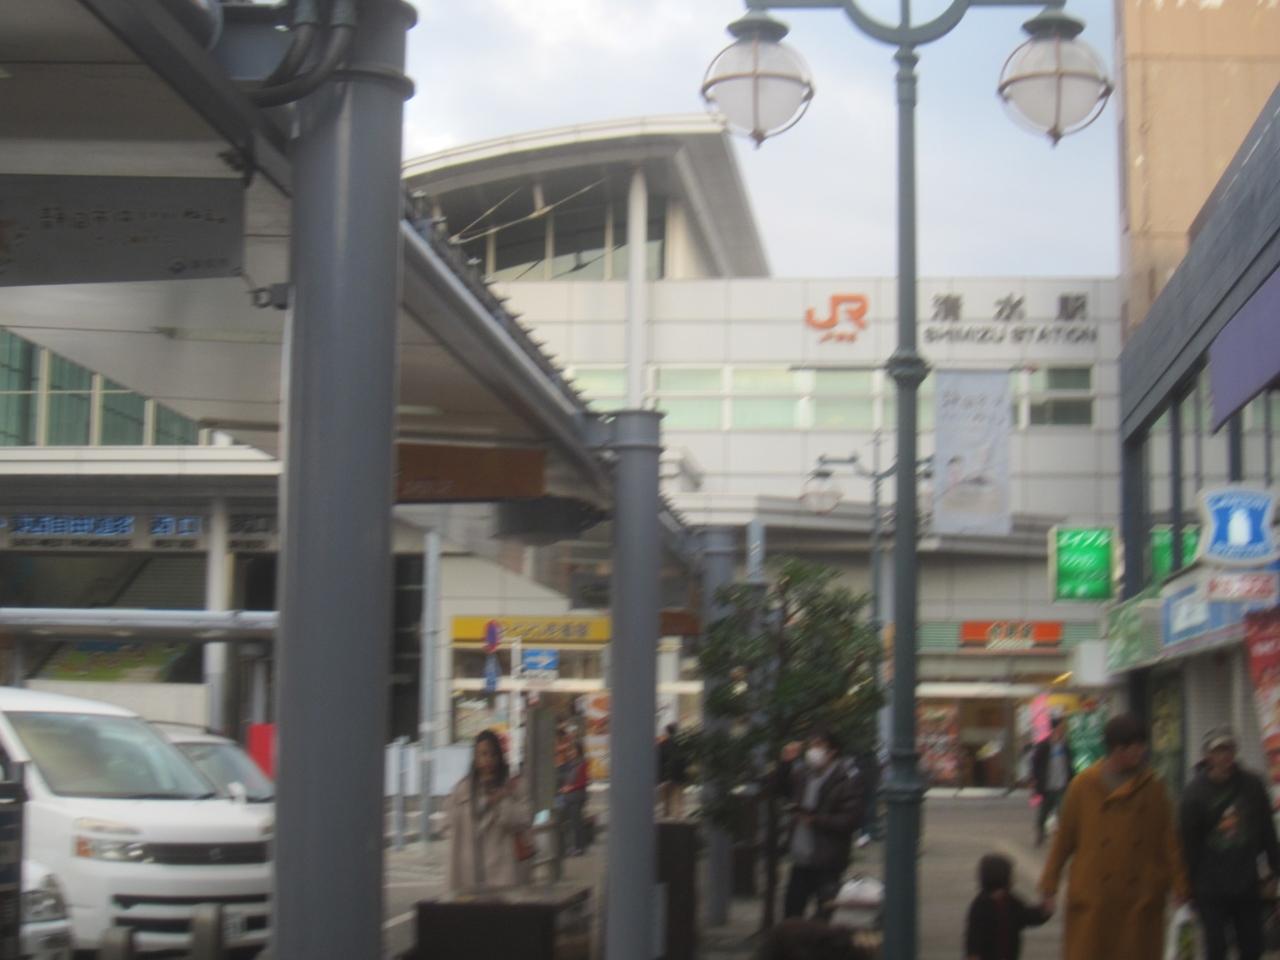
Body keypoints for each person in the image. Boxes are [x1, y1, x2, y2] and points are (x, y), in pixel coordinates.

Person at [1038, 713, 1189, 960]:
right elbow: (1064, 840)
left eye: (1142, 745)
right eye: (1136, 746)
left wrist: (1181, 886)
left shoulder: (1153, 787)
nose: (1141, 751)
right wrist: (1048, 887)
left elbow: (1169, 841)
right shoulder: (1083, 786)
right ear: (1117, 749)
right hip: (1094, 897)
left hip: (1140, 898)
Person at [1180, 727, 1280, 960]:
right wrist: (1186, 886)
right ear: (1207, 755)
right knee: (1216, 948)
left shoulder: (1252, 786)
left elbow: (1267, 830)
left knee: (1252, 947)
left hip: (1246, 880)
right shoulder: (1194, 793)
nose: (1224, 756)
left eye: (1228, 749)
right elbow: (1187, 843)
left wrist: (1275, 871)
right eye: (1218, 750)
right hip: (1209, 886)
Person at [777, 729, 866, 920]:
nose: (812, 751)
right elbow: (780, 789)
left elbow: (850, 819)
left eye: (818, 746)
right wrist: (785, 763)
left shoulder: (847, 779)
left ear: (832, 751)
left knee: (824, 916)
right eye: (810, 746)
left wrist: (816, 820)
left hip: (828, 859)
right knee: (792, 914)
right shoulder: (803, 774)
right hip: (801, 859)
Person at [445, 728, 532, 893]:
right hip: (469, 871)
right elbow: (448, 825)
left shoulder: (515, 786)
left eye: (493, 754)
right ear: (475, 757)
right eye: (483, 754)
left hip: (504, 871)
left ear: (500, 756)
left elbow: (525, 818)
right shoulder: (462, 789)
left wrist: (502, 800)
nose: (488, 760)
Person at [965, 853, 1051, 960]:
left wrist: (1043, 911)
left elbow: (1027, 915)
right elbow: (973, 935)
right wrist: (973, 954)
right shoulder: (981, 905)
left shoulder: (1011, 900)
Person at [1031, 717, 1076, 846]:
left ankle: (1063, 838)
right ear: (1054, 729)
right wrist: (1036, 780)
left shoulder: (1065, 746)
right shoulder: (1044, 746)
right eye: (1061, 727)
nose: (1063, 730)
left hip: (1062, 784)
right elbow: (1035, 764)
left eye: (1063, 728)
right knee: (1044, 812)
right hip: (1048, 785)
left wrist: (1072, 779)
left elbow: (1070, 765)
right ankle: (1040, 832)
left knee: (1063, 812)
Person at [557, 739, 590, 857]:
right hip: (569, 797)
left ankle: (579, 847)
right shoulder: (571, 764)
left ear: (579, 751)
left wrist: (570, 788)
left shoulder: (582, 764)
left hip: (577, 797)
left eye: (573, 750)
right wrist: (565, 788)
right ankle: (572, 846)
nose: (571, 752)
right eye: (570, 750)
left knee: (577, 823)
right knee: (569, 823)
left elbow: (583, 782)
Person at [658, 723, 689, 818]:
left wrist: (660, 777)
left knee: (666, 802)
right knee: (678, 801)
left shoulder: (662, 745)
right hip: (679, 776)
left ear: (667, 732)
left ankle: (666, 818)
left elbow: (659, 761)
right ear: (676, 731)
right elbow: (686, 760)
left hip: (665, 776)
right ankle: (677, 819)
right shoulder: (682, 744)